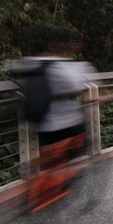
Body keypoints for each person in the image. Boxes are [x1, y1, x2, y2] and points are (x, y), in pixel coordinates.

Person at [26, 25, 100, 211]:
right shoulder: (70, 66)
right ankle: (62, 180)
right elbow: (80, 88)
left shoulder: (33, 62)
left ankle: (40, 183)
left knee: (50, 155)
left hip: (41, 120)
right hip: (68, 122)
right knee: (78, 148)